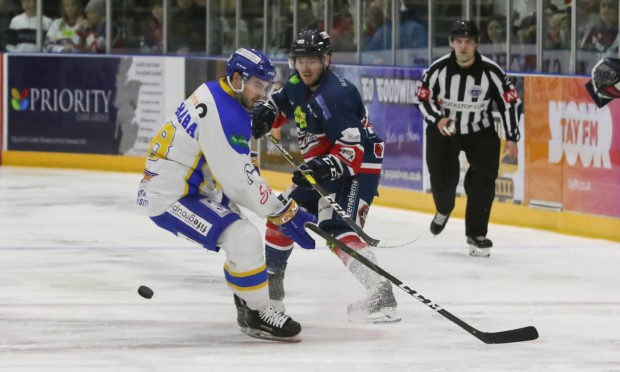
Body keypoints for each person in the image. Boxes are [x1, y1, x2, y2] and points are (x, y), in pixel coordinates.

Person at [136, 48, 316, 342]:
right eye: (257, 85)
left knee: (241, 233)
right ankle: (258, 312)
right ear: (236, 79)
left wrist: (267, 198)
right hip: (170, 196)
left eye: (266, 87)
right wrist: (283, 211)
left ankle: (248, 303)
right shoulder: (225, 112)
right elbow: (239, 184)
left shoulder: (215, 93)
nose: (262, 93)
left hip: (192, 185)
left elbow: (239, 168)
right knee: (243, 237)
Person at [250, 29, 400, 323]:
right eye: (300, 60)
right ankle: (272, 298)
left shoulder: (338, 95)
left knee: (335, 231)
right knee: (281, 218)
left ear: (327, 60)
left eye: (313, 61)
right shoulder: (296, 82)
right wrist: (268, 113)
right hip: (323, 164)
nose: (305, 68)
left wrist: (318, 168)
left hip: (356, 168)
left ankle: (382, 294)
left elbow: (351, 155)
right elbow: (281, 102)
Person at [414, 20, 522, 258]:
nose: (463, 47)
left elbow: (510, 103)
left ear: (476, 44)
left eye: (468, 42)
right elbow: (421, 99)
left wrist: (512, 137)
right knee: (443, 180)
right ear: (452, 43)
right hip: (445, 130)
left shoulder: (491, 72)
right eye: (459, 41)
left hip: (479, 130)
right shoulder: (438, 69)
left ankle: (477, 234)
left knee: (483, 182)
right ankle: (444, 209)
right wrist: (437, 119)